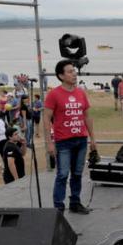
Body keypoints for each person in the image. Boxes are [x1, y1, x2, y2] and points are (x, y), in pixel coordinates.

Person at [43, 59, 97, 214]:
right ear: (61, 75)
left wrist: (92, 139)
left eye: (74, 71)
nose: (74, 74)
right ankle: (58, 206)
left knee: (78, 173)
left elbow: (87, 116)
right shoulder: (54, 94)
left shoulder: (81, 93)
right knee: (62, 174)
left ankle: (75, 202)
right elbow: (46, 118)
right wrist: (50, 143)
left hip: (80, 140)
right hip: (63, 141)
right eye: (70, 71)